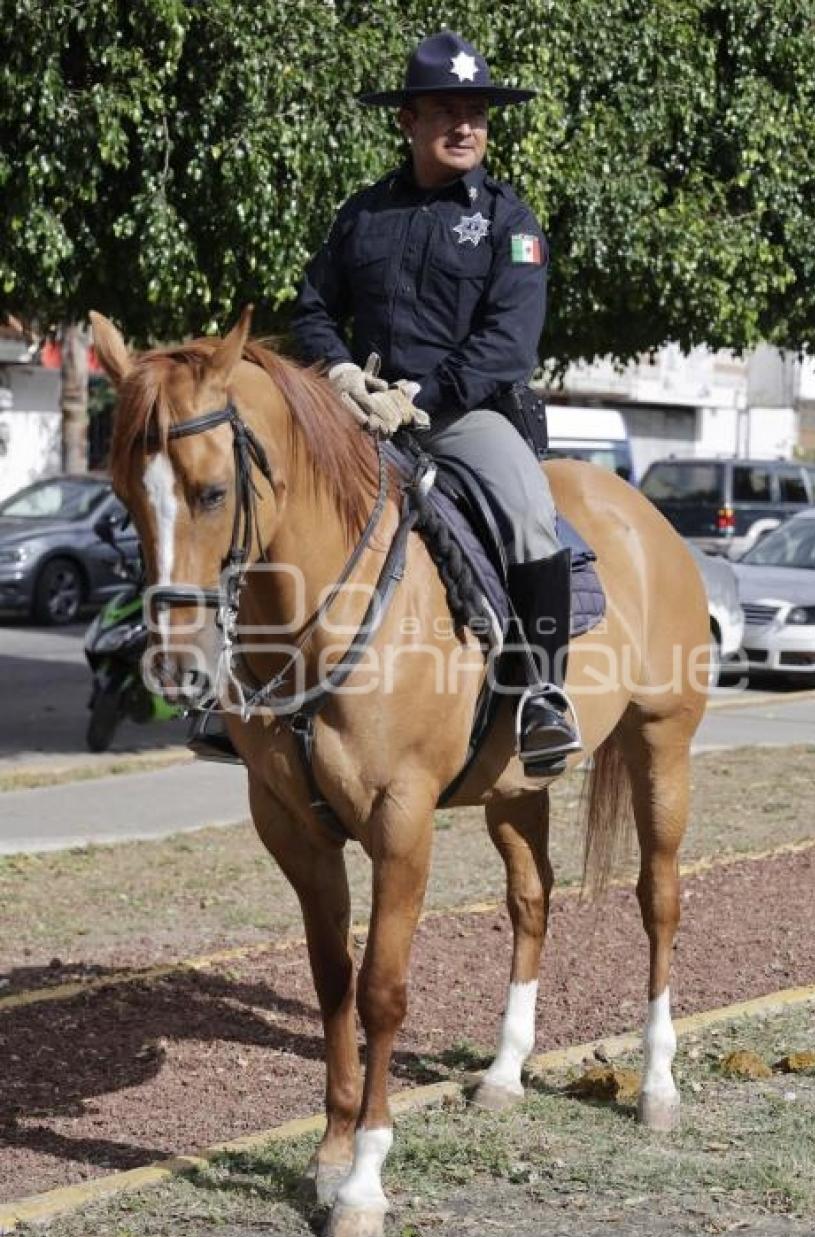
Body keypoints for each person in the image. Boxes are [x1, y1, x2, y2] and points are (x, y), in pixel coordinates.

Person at [291, 30, 581, 774]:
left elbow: (509, 343)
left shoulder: (511, 224)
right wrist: (341, 373)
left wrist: (423, 396)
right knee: (267, 498)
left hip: (464, 416)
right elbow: (312, 305)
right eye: (446, 110)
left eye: (476, 112)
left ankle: (542, 695)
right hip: (358, 412)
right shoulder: (362, 214)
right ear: (407, 122)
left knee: (527, 507)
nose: (464, 126)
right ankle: (243, 694)